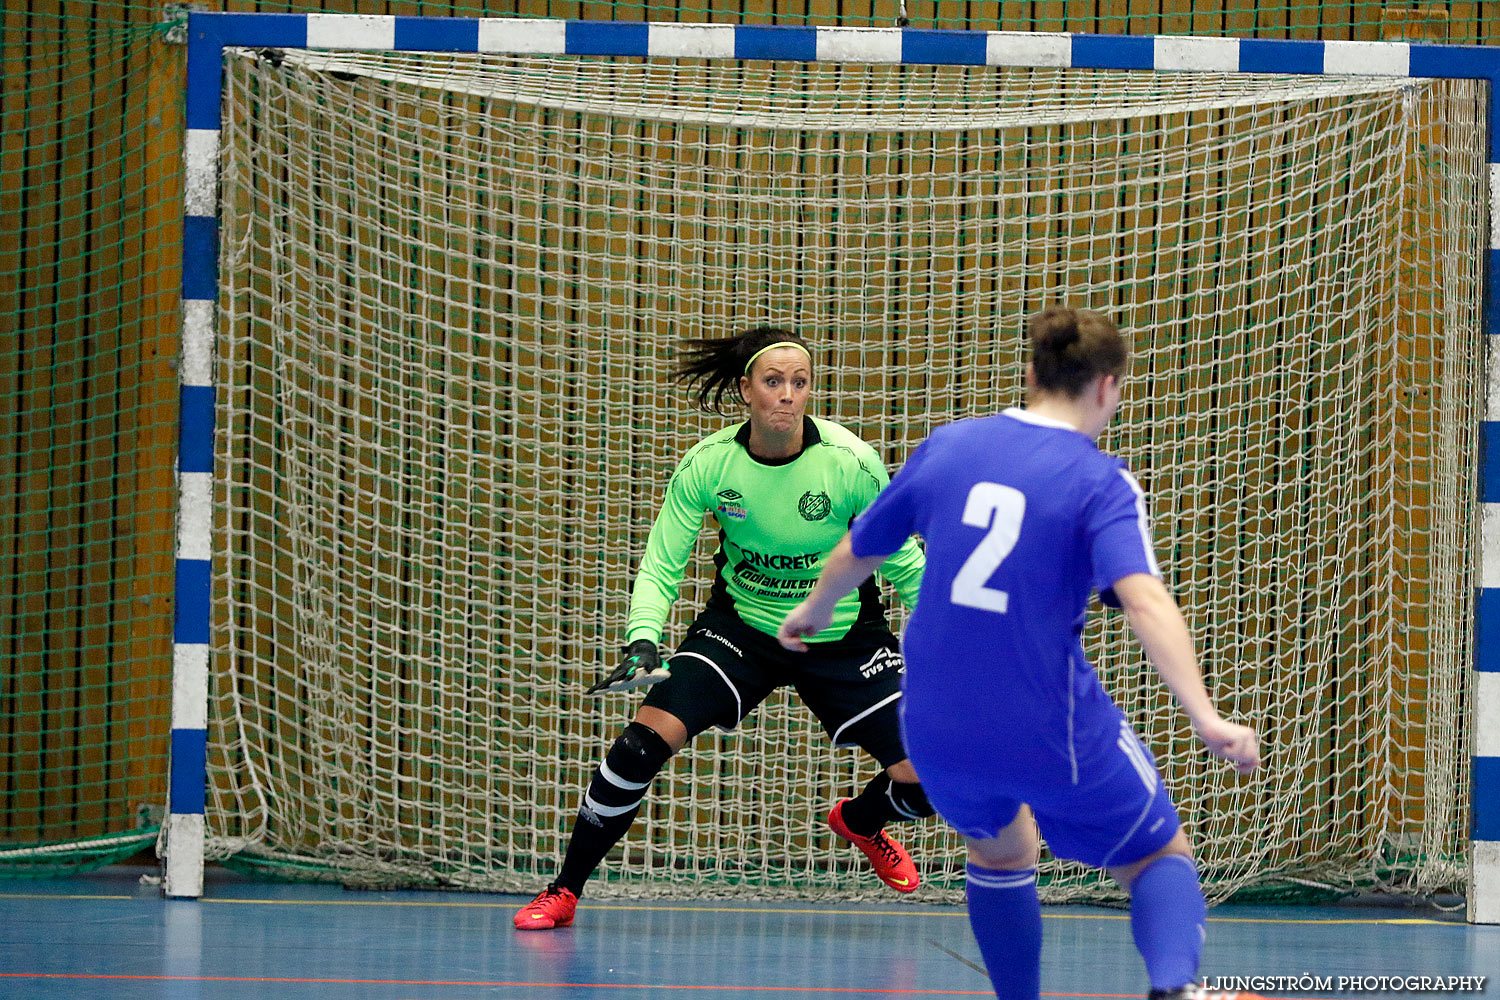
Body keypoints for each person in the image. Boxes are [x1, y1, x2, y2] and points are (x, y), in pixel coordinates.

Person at [778, 306, 1262, 1000]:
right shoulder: (1100, 482)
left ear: (1031, 374)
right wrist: (1207, 718)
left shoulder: (948, 448)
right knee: (1158, 855)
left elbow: (860, 549)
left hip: (936, 728)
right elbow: (1147, 602)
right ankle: (1174, 989)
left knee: (1000, 850)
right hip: (1045, 722)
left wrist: (811, 612)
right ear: (1108, 389)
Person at [514, 325, 932, 931]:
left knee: (928, 784)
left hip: (843, 638)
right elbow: (663, 561)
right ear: (746, 391)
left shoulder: (850, 465)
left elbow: (905, 563)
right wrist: (642, 637)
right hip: (741, 630)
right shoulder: (710, 465)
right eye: (773, 382)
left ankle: (862, 821)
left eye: (800, 382)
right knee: (637, 747)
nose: (787, 395)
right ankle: (563, 890)